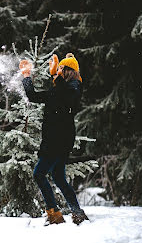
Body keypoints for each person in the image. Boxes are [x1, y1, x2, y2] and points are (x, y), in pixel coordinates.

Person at [19, 53, 89, 226]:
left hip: (59, 139)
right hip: (55, 138)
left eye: (60, 69)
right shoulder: (59, 89)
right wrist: (27, 76)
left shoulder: (74, 86)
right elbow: (33, 96)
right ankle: (77, 212)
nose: (56, 71)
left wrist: (54, 77)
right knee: (58, 178)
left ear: (68, 71)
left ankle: (54, 214)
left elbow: (66, 96)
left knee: (39, 174)